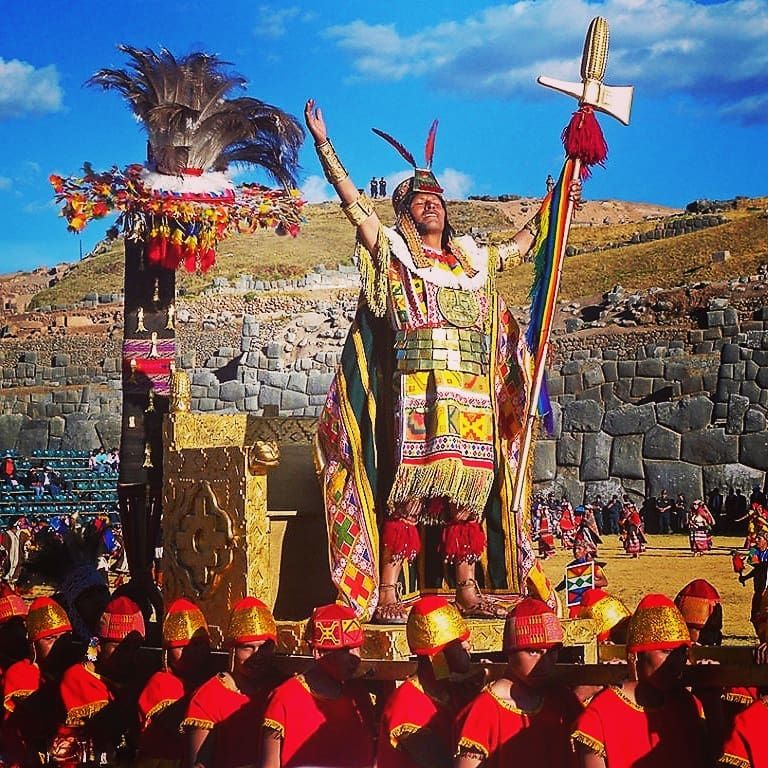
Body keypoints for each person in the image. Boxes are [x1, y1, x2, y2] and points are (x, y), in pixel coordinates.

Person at [305, 99, 570, 622]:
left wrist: (557, 200)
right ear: (405, 213)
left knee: (466, 494)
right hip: (418, 389)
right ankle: (385, 591)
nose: (433, 206)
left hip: (470, 390)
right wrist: (324, 145)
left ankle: (467, 589)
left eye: (438, 200)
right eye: (421, 201)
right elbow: (356, 208)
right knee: (408, 490)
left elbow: (518, 247)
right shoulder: (397, 256)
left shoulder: (473, 259)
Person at [572, 593, 708, 768]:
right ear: (636, 655)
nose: (675, 662)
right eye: (666, 651)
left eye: (681, 653)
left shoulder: (688, 704)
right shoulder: (602, 713)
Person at [455, 598, 581, 768]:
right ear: (511, 651)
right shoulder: (484, 710)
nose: (544, 661)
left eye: (552, 652)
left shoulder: (562, 699)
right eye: (533, 651)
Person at [261, 603, 375, 768]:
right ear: (318, 652)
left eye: (358, 648)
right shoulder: (285, 698)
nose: (356, 657)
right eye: (345, 650)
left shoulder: (358, 697)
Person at [378, 596, 478, 768]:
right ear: (437, 654)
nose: (468, 645)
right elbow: (443, 764)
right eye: (458, 642)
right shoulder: (406, 704)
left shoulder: (453, 691)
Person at [182, 597, 278, 768]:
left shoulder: (280, 690)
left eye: (264, 647)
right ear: (232, 649)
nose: (257, 656)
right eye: (247, 647)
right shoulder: (207, 697)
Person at [55, 596, 147, 765]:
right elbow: (104, 728)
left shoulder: (140, 676)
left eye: (133, 648)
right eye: (117, 646)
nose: (125, 655)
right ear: (97, 644)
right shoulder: (77, 679)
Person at [137, 598, 214, 768]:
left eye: (197, 645)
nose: (190, 653)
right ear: (167, 652)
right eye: (181, 647)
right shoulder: (160, 682)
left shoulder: (209, 679)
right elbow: (177, 725)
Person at [2, 597, 76, 766]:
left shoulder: (73, 671)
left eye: (64, 637)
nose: (59, 645)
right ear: (33, 645)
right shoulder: (21, 673)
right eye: (50, 639)